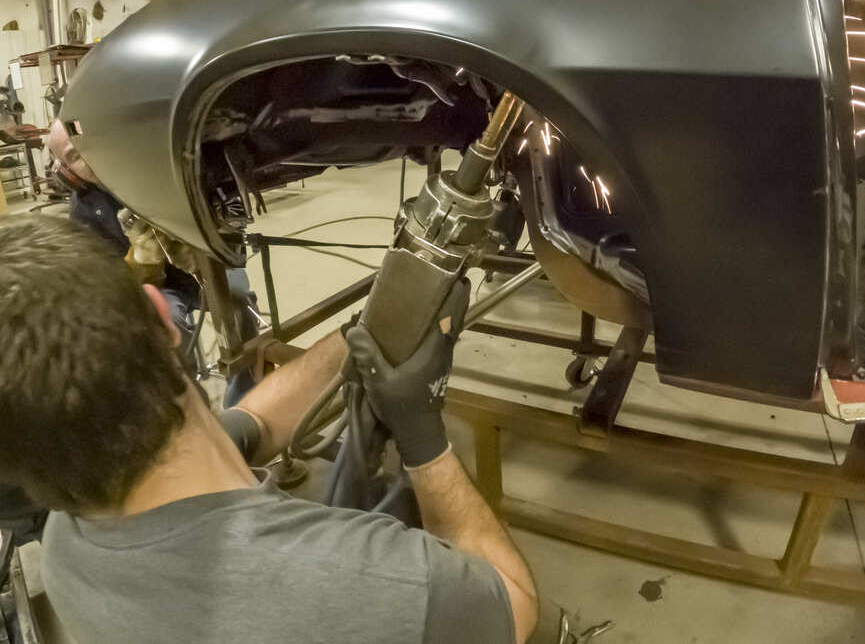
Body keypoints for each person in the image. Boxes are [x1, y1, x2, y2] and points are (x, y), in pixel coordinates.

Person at [0, 215, 538, 644]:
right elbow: (513, 606)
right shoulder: (386, 584)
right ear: (160, 314)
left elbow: (250, 425)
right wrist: (424, 439)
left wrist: (369, 330)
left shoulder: (65, 551)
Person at [46, 119, 259, 404]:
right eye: (73, 156)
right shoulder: (83, 211)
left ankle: (244, 396)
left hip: (203, 261)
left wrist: (201, 240)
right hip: (159, 287)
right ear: (67, 172)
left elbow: (222, 212)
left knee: (239, 301)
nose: (85, 157)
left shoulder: (154, 167)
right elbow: (108, 282)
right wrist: (142, 262)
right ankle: (191, 402)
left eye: (87, 145)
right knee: (165, 321)